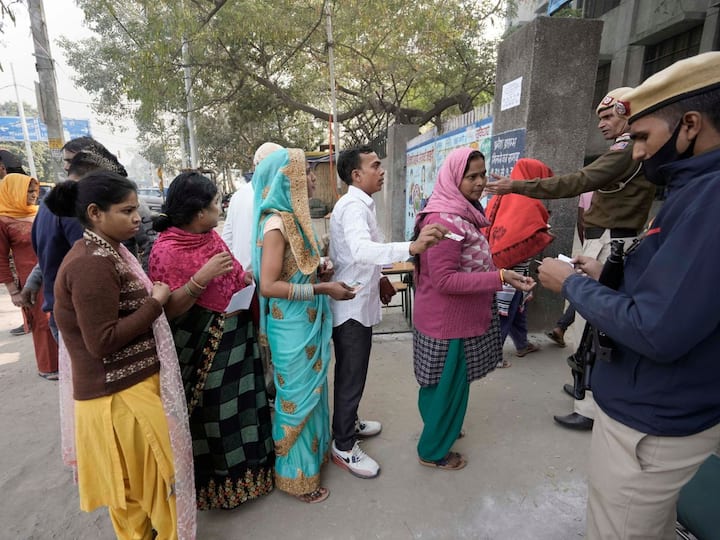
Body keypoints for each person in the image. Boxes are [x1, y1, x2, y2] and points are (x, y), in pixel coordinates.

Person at [538, 51, 720, 540]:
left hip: (654, 426)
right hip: (663, 409)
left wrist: (570, 284)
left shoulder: (710, 198)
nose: (636, 153)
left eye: (641, 137)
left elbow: (657, 328)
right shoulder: (691, 187)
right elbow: (681, 289)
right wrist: (607, 274)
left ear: (690, 125)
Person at [487, 87, 657, 432]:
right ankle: (588, 389)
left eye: (609, 116)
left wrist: (518, 186)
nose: (603, 124)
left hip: (610, 244)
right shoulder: (625, 151)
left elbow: (579, 181)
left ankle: (592, 403)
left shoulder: (626, 151)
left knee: (595, 327)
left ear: (630, 115)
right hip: (603, 243)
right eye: (600, 118)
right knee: (586, 325)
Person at [47, 171, 195, 540]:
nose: (137, 217)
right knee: (160, 493)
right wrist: (155, 303)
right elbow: (102, 341)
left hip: (120, 395)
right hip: (120, 402)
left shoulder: (108, 252)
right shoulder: (92, 263)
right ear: (95, 213)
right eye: (127, 210)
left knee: (132, 502)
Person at [148, 171, 274, 510]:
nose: (221, 208)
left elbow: (232, 273)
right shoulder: (166, 250)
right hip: (204, 351)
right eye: (217, 203)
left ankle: (254, 476)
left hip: (237, 339)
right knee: (216, 416)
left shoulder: (211, 237)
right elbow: (168, 311)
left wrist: (242, 277)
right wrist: (201, 278)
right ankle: (221, 489)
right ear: (198, 211)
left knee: (246, 407)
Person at [412, 147, 535, 470]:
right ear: (454, 178)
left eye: (482, 175)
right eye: (471, 177)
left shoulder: (460, 211)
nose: (480, 182)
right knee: (447, 385)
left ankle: (440, 426)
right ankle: (434, 450)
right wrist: (501, 277)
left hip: (449, 318)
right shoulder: (446, 219)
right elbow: (445, 281)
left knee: (440, 384)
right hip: (448, 322)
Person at [329, 145, 448, 478]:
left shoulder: (361, 204)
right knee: (351, 375)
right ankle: (343, 445)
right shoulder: (353, 206)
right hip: (351, 307)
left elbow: (360, 254)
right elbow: (360, 250)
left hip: (358, 301)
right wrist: (410, 248)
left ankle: (348, 422)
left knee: (353, 373)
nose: (382, 171)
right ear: (356, 174)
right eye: (375, 166)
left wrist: (381, 277)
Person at [252, 148, 355, 503]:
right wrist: (322, 287)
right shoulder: (276, 223)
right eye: (306, 173)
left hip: (307, 319)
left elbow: (295, 269)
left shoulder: (295, 218)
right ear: (287, 179)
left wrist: (319, 270)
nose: (312, 178)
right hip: (291, 328)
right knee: (295, 399)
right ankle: (295, 477)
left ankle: (312, 460)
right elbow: (268, 285)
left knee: (314, 394)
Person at [31, 138, 135, 341]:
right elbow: (96, 263)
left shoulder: (50, 203)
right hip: (85, 319)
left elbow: (45, 254)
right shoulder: (79, 214)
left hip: (65, 312)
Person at [485, 158, 555, 364]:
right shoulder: (527, 200)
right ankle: (493, 355)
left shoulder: (502, 197)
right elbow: (530, 233)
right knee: (506, 312)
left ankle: (522, 344)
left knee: (517, 309)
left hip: (501, 265)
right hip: (511, 271)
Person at [0, 174, 58, 379]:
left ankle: (66, 363)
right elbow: (1, 259)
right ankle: (49, 366)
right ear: (13, 192)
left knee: (60, 316)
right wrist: (13, 291)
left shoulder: (39, 213)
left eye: (34, 191)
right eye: (28, 192)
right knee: (42, 320)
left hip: (51, 270)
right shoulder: (4, 220)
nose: (33, 196)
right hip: (30, 280)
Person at [222, 142, 283, 269]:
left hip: (243, 276)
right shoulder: (272, 197)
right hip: (267, 279)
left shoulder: (238, 196)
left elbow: (227, 241)